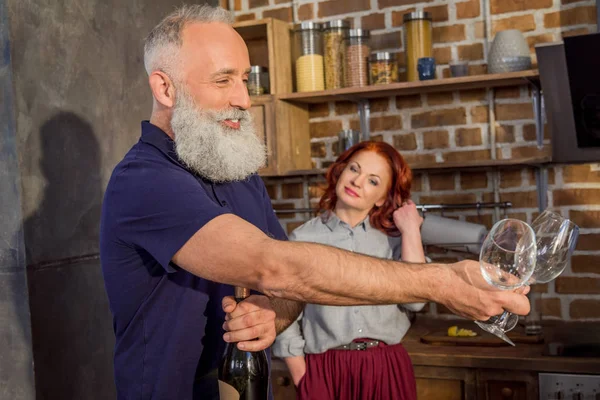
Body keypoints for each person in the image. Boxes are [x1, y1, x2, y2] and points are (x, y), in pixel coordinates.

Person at [99, 4, 530, 400]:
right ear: (165, 88)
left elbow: (285, 291)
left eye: (245, 80)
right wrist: (442, 283)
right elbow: (275, 266)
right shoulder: (143, 181)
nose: (244, 100)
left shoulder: (238, 172)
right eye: (223, 80)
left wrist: (273, 310)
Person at [274, 142, 424, 400]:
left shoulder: (394, 241)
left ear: (382, 198)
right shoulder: (303, 238)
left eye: (373, 181)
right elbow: (285, 319)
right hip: (325, 370)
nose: (357, 181)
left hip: (387, 367)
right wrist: (304, 380)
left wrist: (411, 230)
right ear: (340, 172)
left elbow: (417, 302)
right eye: (354, 169)